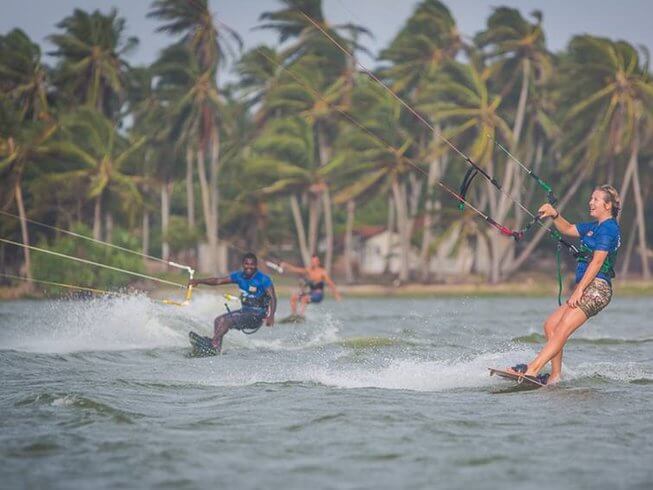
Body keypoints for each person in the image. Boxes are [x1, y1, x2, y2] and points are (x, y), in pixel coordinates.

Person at [508, 185, 621, 385]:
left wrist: (578, 290)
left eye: (595, 199)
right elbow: (568, 228)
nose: (591, 202)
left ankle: (532, 370)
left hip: (597, 289)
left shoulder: (609, 228)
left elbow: (597, 262)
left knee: (562, 329)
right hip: (587, 287)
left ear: (608, 205)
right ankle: (555, 376)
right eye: (591, 199)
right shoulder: (595, 227)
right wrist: (554, 214)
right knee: (551, 325)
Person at [189, 253, 276, 353]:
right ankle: (216, 348)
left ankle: (213, 342)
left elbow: (273, 298)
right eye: (246, 264)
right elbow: (218, 281)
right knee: (218, 320)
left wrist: (271, 316)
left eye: (252, 264)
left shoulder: (263, 279)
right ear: (243, 264)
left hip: (257, 315)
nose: (249, 267)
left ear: (256, 265)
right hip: (245, 312)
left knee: (227, 320)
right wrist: (199, 281)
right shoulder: (239, 276)